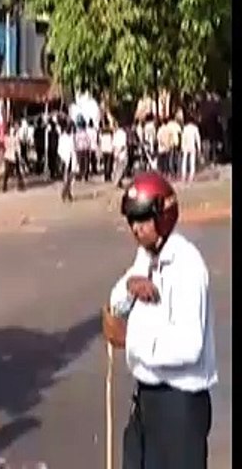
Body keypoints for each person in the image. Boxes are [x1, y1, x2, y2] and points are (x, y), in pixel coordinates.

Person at [107, 172, 217, 469]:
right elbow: (117, 300)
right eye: (131, 221)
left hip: (179, 403)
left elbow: (189, 346)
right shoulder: (147, 255)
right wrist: (129, 287)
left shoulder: (186, 266)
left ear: (163, 217)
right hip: (148, 398)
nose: (136, 229)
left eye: (143, 220)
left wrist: (129, 339)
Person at [2, 123, 25, 192]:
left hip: (13, 155)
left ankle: (21, 185)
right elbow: (6, 146)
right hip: (9, 155)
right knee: (8, 172)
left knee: (17, 171)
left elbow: (18, 147)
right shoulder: (8, 137)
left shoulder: (15, 137)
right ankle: (5, 186)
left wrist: (19, 155)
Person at [58, 122, 76, 202]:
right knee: (66, 179)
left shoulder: (72, 137)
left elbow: (74, 148)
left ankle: (69, 193)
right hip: (65, 160)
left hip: (72, 159)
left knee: (71, 178)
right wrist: (63, 158)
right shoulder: (62, 137)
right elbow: (59, 150)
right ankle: (65, 193)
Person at [181, 115, 202, 183]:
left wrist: (182, 146)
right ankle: (191, 175)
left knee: (184, 160)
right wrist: (199, 147)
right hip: (192, 145)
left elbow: (183, 138)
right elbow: (197, 138)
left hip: (186, 145)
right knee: (192, 161)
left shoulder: (185, 128)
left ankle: (183, 174)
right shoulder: (195, 128)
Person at [113, 122, 130, 187]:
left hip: (117, 153)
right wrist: (119, 152)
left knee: (117, 169)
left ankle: (118, 182)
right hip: (122, 154)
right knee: (121, 169)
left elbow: (114, 145)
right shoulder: (123, 134)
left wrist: (116, 153)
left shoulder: (116, 133)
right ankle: (117, 182)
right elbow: (123, 145)